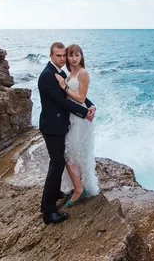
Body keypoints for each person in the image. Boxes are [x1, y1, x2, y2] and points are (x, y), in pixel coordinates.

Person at [38, 42, 95, 225]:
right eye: (59, 56)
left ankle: (55, 193)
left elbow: (73, 93)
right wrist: (84, 113)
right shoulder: (48, 76)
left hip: (60, 125)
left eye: (64, 55)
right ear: (51, 56)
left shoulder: (61, 73)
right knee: (57, 164)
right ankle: (48, 212)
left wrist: (89, 104)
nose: (63, 59)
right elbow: (63, 101)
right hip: (52, 128)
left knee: (60, 161)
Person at [54, 44, 100, 208]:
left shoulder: (83, 73)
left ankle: (80, 189)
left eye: (76, 55)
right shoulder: (69, 73)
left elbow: (80, 98)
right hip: (71, 117)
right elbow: (82, 99)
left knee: (74, 152)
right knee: (71, 152)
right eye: (70, 55)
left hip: (80, 119)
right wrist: (91, 104)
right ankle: (79, 186)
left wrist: (64, 86)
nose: (73, 58)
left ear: (81, 57)